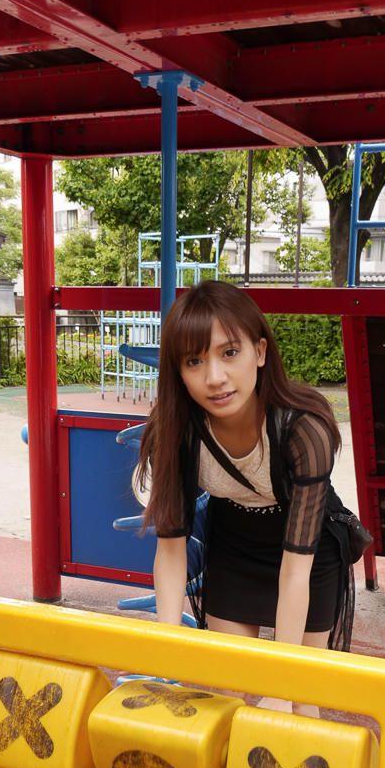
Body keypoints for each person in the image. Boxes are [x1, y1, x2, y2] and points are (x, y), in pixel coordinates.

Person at [138, 280, 355, 714]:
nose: (215, 378)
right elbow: (172, 548)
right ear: (178, 372)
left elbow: (296, 568)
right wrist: (167, 653)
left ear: (259, 351)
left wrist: (282, 687)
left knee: (297, 702)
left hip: (309, 552)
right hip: (235, 542)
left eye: (230, 353)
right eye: (194, 361)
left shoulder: (303, 429)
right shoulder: (177, 429)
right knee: (227, 692)